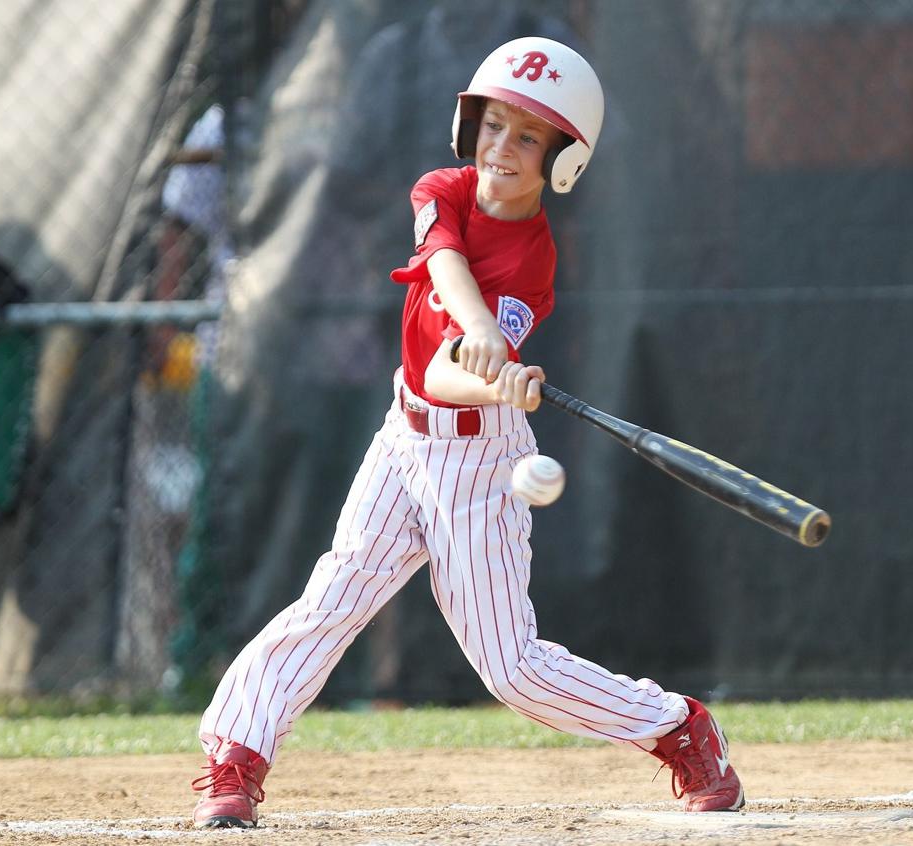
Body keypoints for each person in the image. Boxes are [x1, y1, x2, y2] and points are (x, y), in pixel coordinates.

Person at [190, 37, 744, 829]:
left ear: (563, 160)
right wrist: (479, 332)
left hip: (477, 462)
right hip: (401, 439)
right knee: (332, 598)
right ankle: (234, 760)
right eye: (493, 125)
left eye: (528, 137)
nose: (502, 148)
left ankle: (678, 728)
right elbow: (443, 267)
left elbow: (451, 377)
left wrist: (497, 376)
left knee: (511, 668)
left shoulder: (534, 260)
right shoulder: (441, 189)